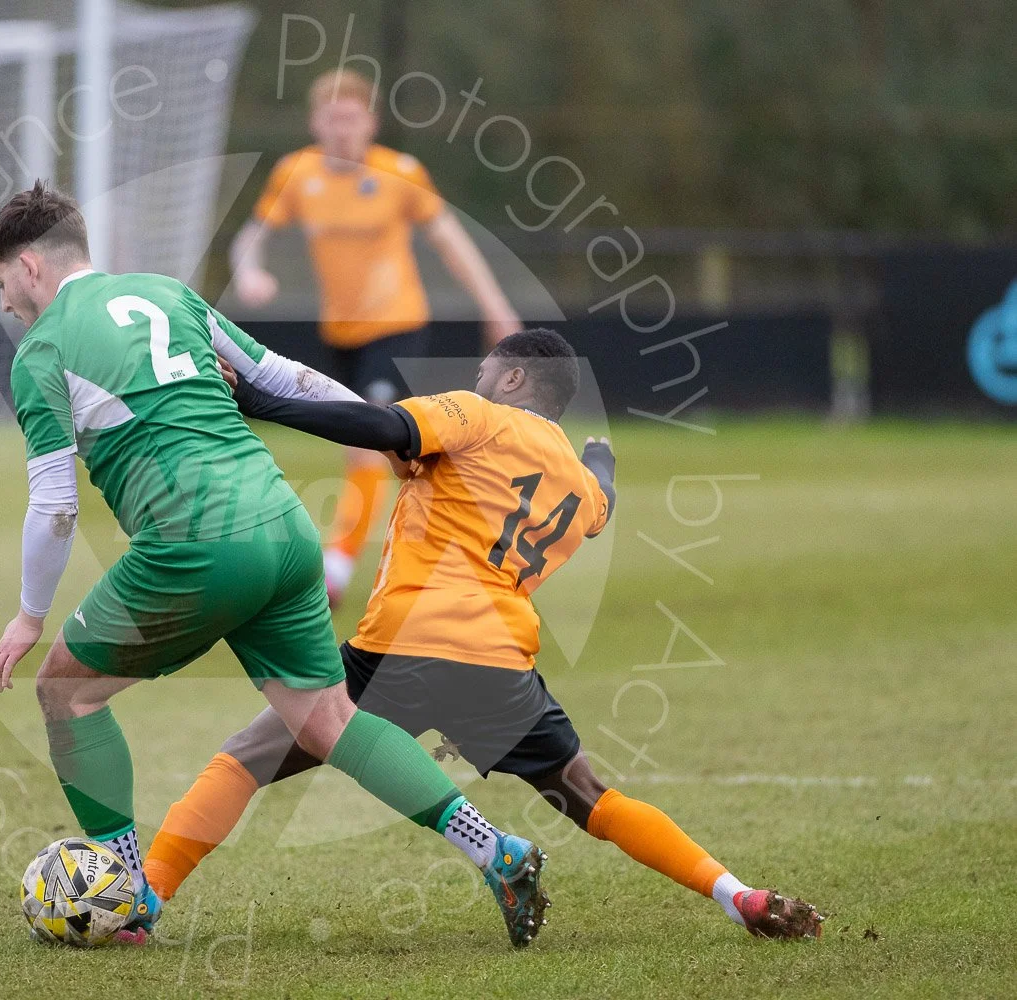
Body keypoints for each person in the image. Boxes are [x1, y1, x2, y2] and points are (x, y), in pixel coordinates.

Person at [0, 181, 550, 949]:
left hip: (194, 541)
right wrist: (389, 436)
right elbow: (287, 378)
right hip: (284, 530)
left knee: (66, 694)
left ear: (30, 267)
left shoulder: (42, 352)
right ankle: (497, 850)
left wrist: (29, 614)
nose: (5, 304)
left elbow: (54, 505)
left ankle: (129, 899)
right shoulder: (166, 294)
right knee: (326, 720)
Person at [141, 329, 825, 941]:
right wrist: (601, 458)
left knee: (246, 757)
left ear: (515, 380)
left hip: (404, 642)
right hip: (500, 662)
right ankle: (737, 895)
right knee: (591, 795)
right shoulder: (577, 483)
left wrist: (259, 403)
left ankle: (144, 899)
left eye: (483, 373)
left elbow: (378, 423)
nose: (473, 383)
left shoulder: (479, 418)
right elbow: (603, 503)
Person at [232, 68, 522, 605]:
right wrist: (249, 270)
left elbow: (450, 240)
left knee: (367, 444)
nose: (342, 128)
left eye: (352, 117)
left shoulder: (401, 172)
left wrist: (495, 306)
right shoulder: (296, 173)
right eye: (331, 118)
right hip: (338, 332)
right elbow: (251, 235)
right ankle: (464, 523)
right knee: (382, 453)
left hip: (397, 326)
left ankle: (336, 571)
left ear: (371, 121)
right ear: (315, 122)